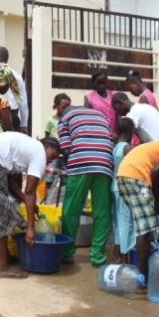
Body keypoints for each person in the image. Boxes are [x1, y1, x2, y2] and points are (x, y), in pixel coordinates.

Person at [0, 132, 60, 278]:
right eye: (52, 156)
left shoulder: (27, 146)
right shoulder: (39, 151)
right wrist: (30, 228)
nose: (49, 161)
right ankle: (2, 267)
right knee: (4, 212)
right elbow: (30, 191)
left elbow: (10, 182)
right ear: (47, 146)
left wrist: (28, 203)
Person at [117, 140, 159, 290]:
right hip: (137, 178)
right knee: (145, 230)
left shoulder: (158, 147)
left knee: (146, 225)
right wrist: (156, 197)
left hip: (123, 176)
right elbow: (156, 171)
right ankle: (142, 280)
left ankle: (143, 276)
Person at [58, 106, 114, 266]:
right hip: (104, 162)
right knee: (102, 211)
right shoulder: (102, 115)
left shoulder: (65, 118)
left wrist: (71, 165)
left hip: (80, 162)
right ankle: (98, 256)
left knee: (71, 209)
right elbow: (109, 138)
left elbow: (66, 147)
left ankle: (67, 253)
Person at [112, 117, 137, 262]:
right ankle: (124, 257)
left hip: (115, 187)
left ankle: (117, 255)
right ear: (131, 132)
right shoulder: (127, 148)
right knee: (126, 222)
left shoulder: (115, 147)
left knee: (117, 222)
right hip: (124, 188)